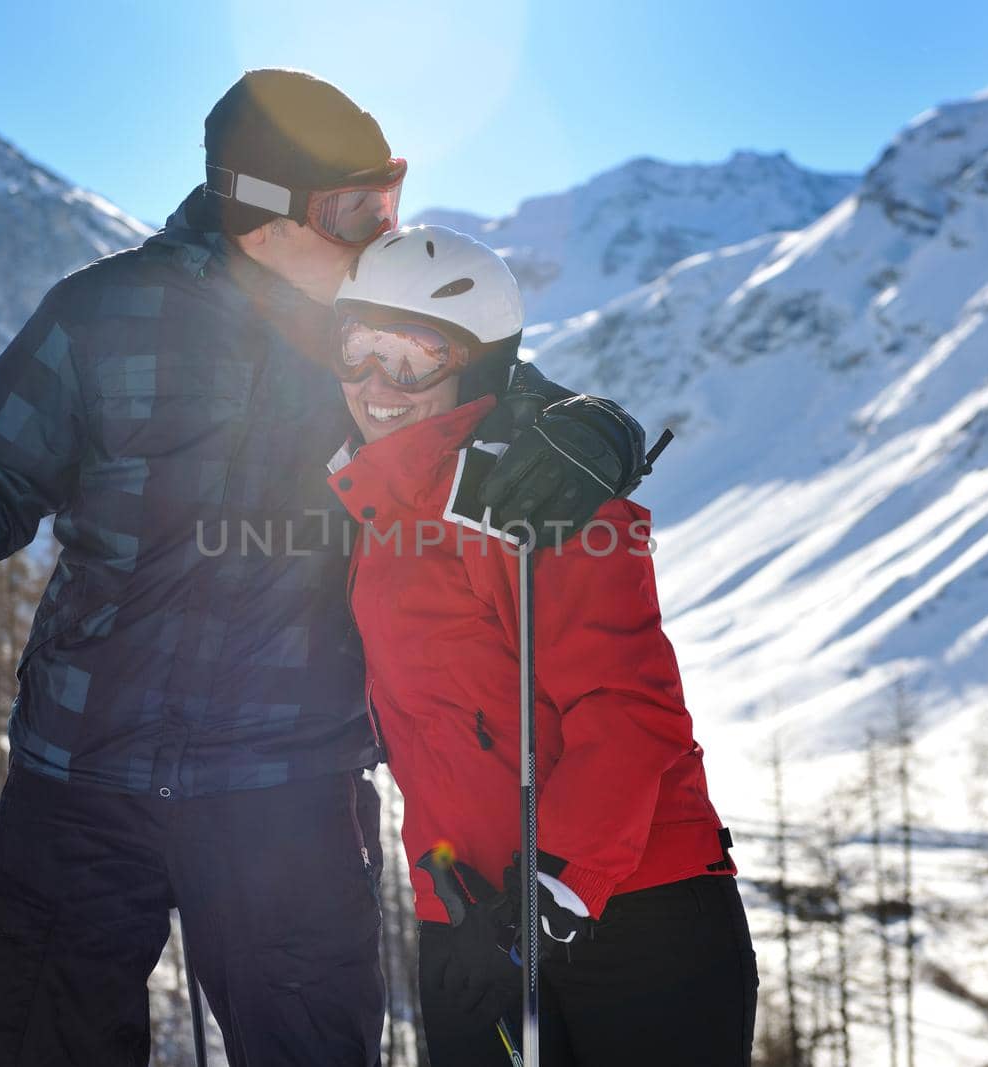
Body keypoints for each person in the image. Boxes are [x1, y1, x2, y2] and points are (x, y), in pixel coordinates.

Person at [0, 71, 652, 1066]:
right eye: (356, 206)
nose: (383, 229)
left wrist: (589, 435)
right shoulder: (101, 314)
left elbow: (509, 400)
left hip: (288, 778)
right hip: (80, 767)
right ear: (258, 209)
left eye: (390, 198)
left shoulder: (376, 331)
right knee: (39, 1037)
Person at [325, 225, 759, 1065]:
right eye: (359, 348)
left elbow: (630, 710)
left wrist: (557, 881)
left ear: (477, 364)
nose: (378, 383)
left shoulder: (541, 493)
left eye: (413, 356)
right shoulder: (371, 504)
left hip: (634, 911)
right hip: (469, 916)